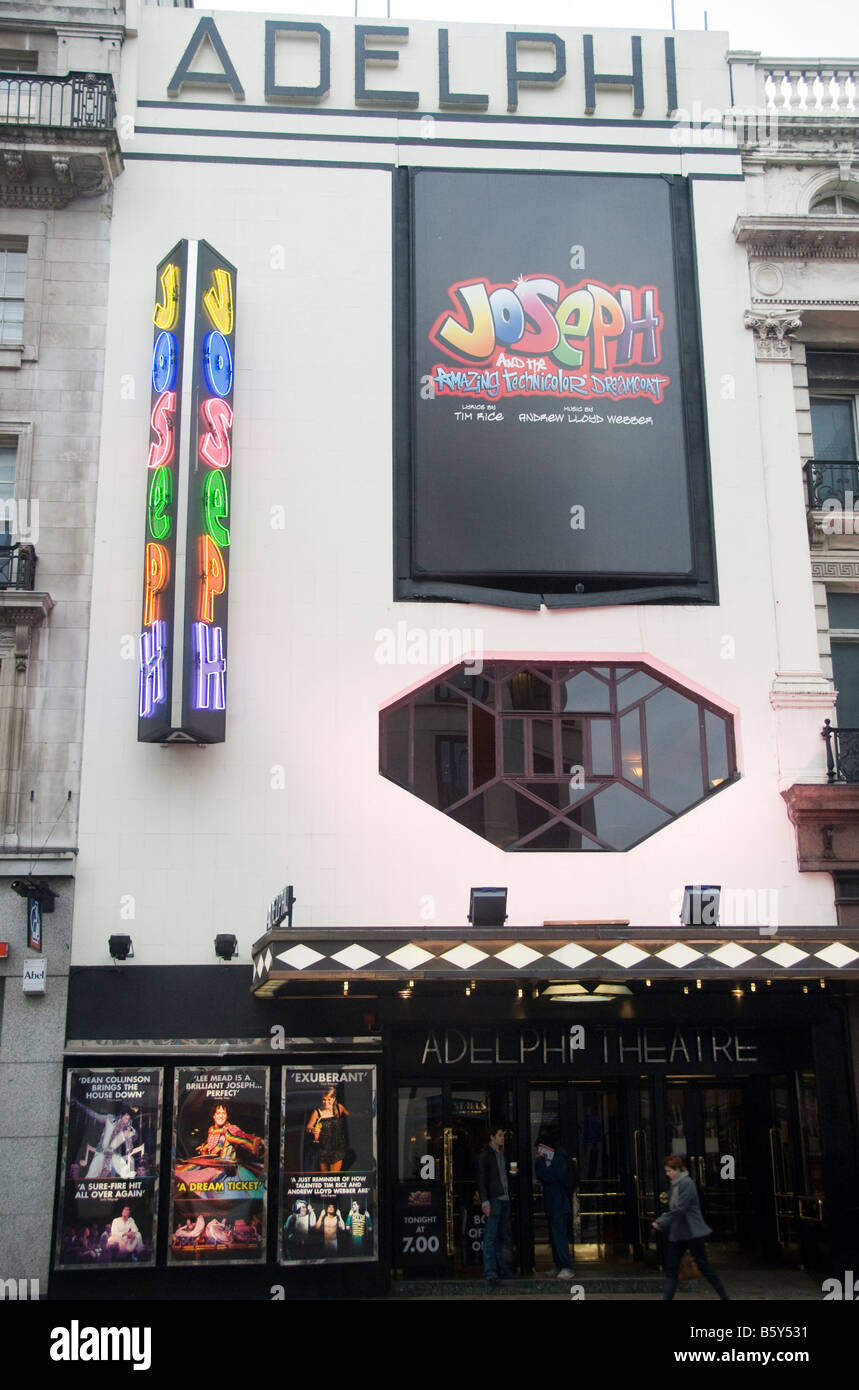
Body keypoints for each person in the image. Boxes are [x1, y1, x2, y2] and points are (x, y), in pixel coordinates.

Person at [652, 1155, 730, 1301]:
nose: (668, 1174)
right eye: (666, 1171)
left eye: (669, 1171)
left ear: (678, 1169)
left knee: (704, 1267)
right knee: (672, 1270)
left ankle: (725, 1297)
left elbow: (681, 1208)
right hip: (679, 1232)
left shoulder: (686, 1184)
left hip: (692, 1231)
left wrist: (662, 1221)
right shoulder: (675, 1184)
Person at [534, 1129, 577, 1280]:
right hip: (553, 1203)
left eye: (540, 1148)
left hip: (558, 1203)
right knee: (554, 1236)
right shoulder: (555, 1159)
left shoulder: (559, 1159)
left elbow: (547, 1176)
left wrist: (540, 1162)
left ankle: (566, 1266)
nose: (538, 1152)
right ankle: (559, 1265)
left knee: (559, 1235)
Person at [476, 1124, 514, 1283]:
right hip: (495, 1198)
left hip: (504, 1197)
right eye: (499, 1135)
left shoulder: (504, 1154)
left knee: (500, 1235)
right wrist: (485, 1201)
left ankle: (500, 1269)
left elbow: (509, 1174)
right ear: (492, 1137)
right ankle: (490, 1271)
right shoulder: (485, 1155)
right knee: (492, 1236)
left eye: (503, 1135)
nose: (502, 1138)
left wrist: (513, 1173)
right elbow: (481, 1179)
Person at [306, 1087, 350, 1172]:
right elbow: (308, 1127)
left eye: (329, 1099)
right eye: (324, 1099)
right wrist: (312, 1130)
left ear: (334, 1099)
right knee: (324, 1175)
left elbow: (351, 1118)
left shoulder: (339, 1108)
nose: (326, 1102)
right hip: (323, 1148)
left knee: (334, 1174)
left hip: (337, 1147)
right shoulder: (317, 1113)